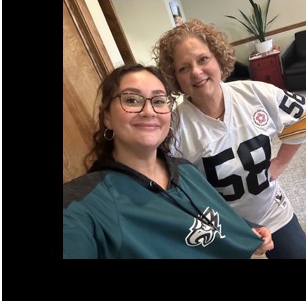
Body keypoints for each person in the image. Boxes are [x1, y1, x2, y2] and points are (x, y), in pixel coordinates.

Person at [63, 65, 273, 258]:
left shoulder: (186, 170)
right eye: (132, 100)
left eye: (158, 101)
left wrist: (247, 229)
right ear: (107, 116)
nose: (148, 111)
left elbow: (218, 217)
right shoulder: (84, 205)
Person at [154, 20, 306, 259]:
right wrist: (230, 229)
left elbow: (305, 115)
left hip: (270, 207)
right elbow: (178, 195)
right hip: (219, 222)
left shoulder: (255, 93)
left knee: (300, 255)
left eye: (203, 59)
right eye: (183, 68)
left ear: (218, 58)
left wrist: (281, 162)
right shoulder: (175, 127)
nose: (196, 72)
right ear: (175, 78)